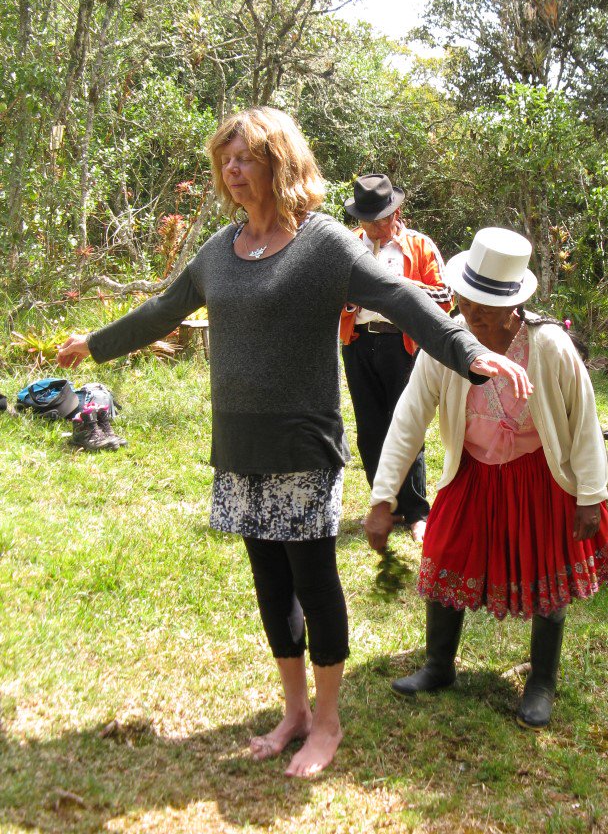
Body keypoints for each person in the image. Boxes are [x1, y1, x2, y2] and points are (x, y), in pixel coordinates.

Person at [57, 110, 533, 777]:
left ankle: (329, 721)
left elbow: (402, 299)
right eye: (226, 161)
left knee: (314, 581)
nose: (233, 171)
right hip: (240, 450)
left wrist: (468, 350)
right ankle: (294, 712)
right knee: (268, 581)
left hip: (304, 449)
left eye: (246, 158)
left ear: (281, 164)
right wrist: (95, 344)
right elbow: (162, 311)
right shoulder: (219, 252)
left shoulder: (325, 246)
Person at [364, 227, 608, 730]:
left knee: (549, 576)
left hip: (540, 477)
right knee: (445, 551)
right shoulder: (448, 342)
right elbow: (409, 417)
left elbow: (584, 421)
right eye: (464, 302)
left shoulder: (551, 347)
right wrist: (382, 497)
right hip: (473, 472)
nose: (469, 315)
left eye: (483, 308)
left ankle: (541, 681)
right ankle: (439, 665)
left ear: (514, 309)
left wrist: (590, 494)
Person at [340, 174, 452, 542]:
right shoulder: (347, 245)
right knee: (370, 430)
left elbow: (446, 296)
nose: (374, 228)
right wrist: (351, 299)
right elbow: (328, 294)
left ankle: (418, 512)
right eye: (366, 221)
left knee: (407, 427)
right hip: (357, 343)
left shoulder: (419, 246)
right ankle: (384, 506)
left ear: (396, 213)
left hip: (402, 347)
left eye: (380, 220)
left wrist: (402, 289)